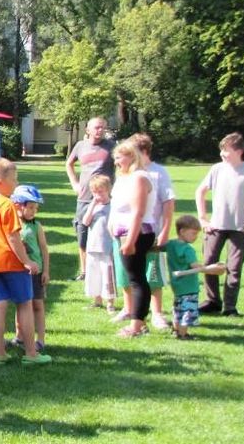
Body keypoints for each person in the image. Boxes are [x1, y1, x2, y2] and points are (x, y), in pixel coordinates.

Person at [0, 159, 52, 366]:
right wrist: (26, 261)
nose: (16, 183)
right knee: (25, 305)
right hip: (12, 264)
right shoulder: (6, 204)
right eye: (14, 179)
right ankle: (31, 354)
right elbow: (13, 238)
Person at [195, 132, 244, 316]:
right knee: (209, 264)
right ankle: (212, 301)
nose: (222, 154)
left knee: (234, 268)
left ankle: (230, 307)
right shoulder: (217, 169)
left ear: (239, 151)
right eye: (221, 150)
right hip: (216, 226)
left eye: (226, 150)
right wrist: (203, 218)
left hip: (240, 228)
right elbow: (200, 192)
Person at [108, 141, 157, 338]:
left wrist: (130, 241)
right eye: (116, 157)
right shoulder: (123, 178)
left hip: (136, 233)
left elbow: (138, 212)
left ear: (132, 157)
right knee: (133, 277)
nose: (116, 161)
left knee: (137, 279)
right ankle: (140, 321)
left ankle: (136, 325)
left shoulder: (139, 178)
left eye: (120, 157)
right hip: (123, 232)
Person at [129, 133, 175, 329]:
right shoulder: (129, 172)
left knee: (154, 274)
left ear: (144, 151)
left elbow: (168, 202)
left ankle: (157, 313)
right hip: (131, 232)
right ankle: (132, 311)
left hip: (152, 231)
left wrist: (165, 230)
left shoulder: (158, 172)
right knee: (133, 274)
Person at [65, 117, 116, 281]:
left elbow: (122, 164)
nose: (100, 130)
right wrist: (74, 183)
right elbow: (69, 164)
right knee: (82, 234)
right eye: (96, 128)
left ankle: (110, 268)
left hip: (105, 199)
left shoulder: (111, 147)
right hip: (84, 197)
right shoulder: (80, 146)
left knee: (107, 233)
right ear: (88, 129)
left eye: (102, 127)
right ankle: (84, 271)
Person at [165, 215, 226, 339]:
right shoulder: (188, 249)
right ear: (182, 231)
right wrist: (211, 268)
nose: (195, 237)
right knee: (187, 310)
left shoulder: (171, 244)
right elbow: (195, 266)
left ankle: (176, 330)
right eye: (193, 233)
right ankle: (183, 334)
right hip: (189, 286)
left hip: (176, 285)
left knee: (178, 308)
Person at [8, 185, 50, 353]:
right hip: (19, 271)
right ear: (19, 205)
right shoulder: (13, 224)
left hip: (36, 272)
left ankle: (40, 339)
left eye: (36, 208)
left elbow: (44, 250)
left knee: (37, 305)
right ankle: (19, 336)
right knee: (21, 305)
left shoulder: (36, 226)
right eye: (31, 207)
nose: (34, 211)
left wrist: (45, 271)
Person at [81, 175, 116, 313]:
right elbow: (85, 222)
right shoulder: (93, 206)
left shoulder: (113, 205)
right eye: (94, 192)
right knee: (93, 274)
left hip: (107, 246)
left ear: (108, 190)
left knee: (107, 275)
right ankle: (97, 300)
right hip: (93, 246)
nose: (97, 195)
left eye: (100, 192)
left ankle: (110, 302)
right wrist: (93, 205)